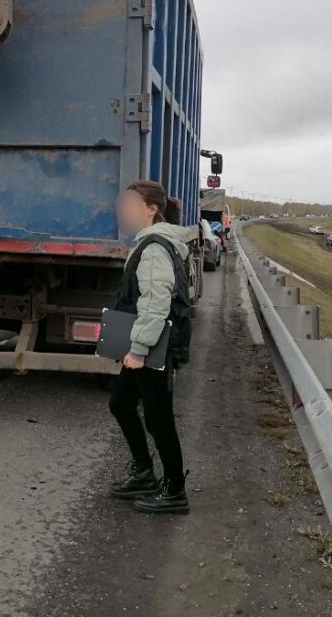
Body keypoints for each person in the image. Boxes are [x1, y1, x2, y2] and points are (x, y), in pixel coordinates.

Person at [107, 180, 194, 514]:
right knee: (121, 403)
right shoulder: (146, 243)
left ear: (152, 209)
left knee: (159, 418)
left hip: (154, 348)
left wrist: (139, 349)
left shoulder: (155, 247)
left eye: (130, 204)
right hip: (147, 346)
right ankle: (144, 473)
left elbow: (157, 303)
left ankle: (174, 490)